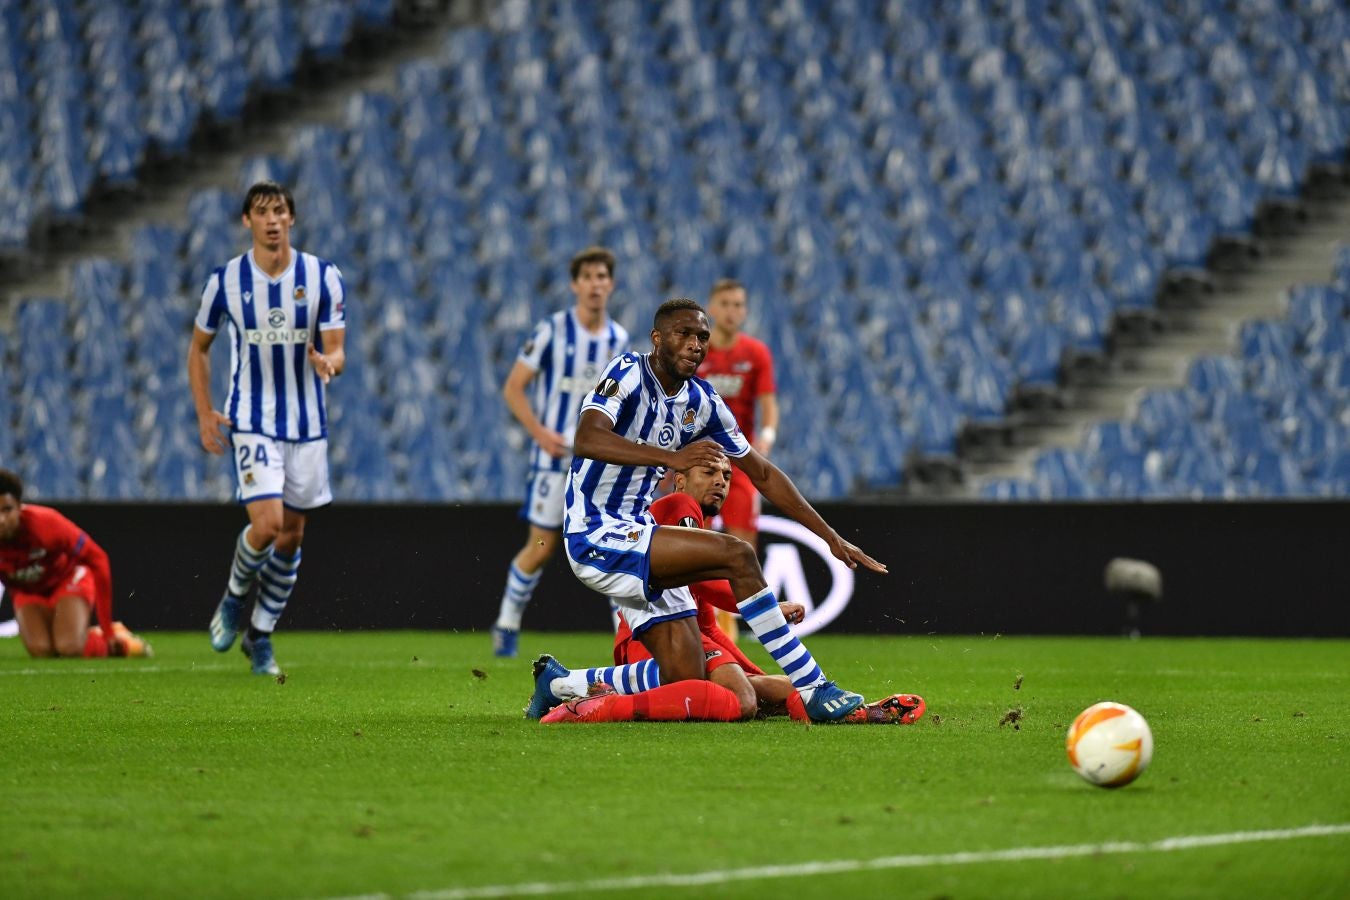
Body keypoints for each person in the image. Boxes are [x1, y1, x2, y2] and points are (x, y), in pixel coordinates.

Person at [527, 298, 886, 723]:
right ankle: (814, 687)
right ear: (657, 338)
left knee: (686, 674)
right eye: (684, 334)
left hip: (636, 531)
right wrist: (671, 456)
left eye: (702, 337)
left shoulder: (704, 400)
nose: (695, 344)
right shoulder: (627, 372)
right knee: (737, 554)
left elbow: (763, 473)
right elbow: (587, 438)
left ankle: (561, 684)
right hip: (595, 531)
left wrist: (831, 537)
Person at [537, 458, 925, 725]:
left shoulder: (702, 536)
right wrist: (763, 603)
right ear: (681, 479)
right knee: (741, 700)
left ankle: (857, 712)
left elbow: (710, 625)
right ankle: (601, 706)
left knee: (772, 687)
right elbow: (704, 585)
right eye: (709, 471)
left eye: (726, 474)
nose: (721, 480)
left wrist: (746, 664)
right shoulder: (677, 507)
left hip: (687, 636)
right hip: (652, 636)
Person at [187, 181, 346, 676]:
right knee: (268, 525)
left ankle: (260, 635)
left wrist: (329, 363)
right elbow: (199, 348)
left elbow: (338, 348)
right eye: (262, 212)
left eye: (279, 211)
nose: (272, 220)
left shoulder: (323, 276)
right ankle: (234, 598)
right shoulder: (225, 281)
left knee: (292, 538)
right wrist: (204, 410)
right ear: (247, 222)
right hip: (252, 419)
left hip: (308, 424)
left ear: (291, 219)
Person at [491, 246, 629, 658]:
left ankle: (624, 638)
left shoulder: (618, 338)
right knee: (542, 547)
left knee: (613, 543)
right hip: (553, 460)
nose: (595, 284)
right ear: (575, 284)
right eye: (587, 277)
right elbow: (514, 387)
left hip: (597, 461)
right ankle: (506, 624)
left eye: (602, 276)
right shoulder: (552, 330)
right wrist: (539, 433)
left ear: (611, 284)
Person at [697, 278, 779, 638]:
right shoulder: (696, 352)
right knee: (693, 539)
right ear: (712, 309)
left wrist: (767, 437)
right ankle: (699, 619)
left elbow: (768, 406)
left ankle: (742, 621)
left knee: (744, 545)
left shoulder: (756, 353)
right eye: (726, 304)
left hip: (739, 459)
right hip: (698, 458)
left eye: (739, 305)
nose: (733, 311)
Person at [0, 469, 150, 658]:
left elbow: (97, 558)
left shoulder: (46, 523)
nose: (2, 520)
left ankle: (120, 641)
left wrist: (107, 630)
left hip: (67, 580)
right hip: (28, 591)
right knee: (42, 651)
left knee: (69, 647)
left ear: (20, 507)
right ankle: (80, 634)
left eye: (7, 509)